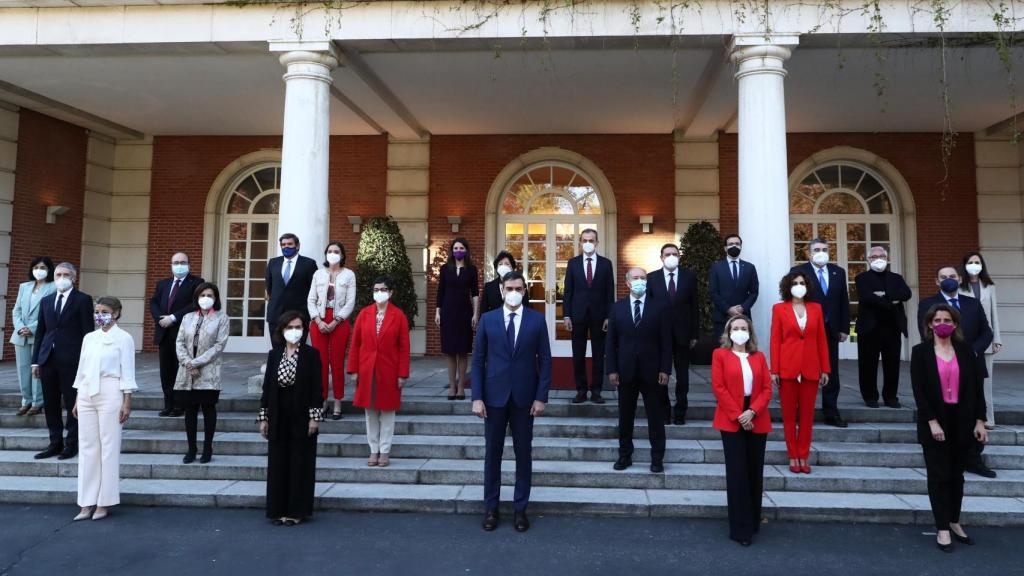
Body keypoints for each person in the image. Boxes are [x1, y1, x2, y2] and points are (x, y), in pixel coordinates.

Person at [471, 271, 551, 532]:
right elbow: (478, 360)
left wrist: (541, 397)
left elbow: (546, 361)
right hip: (493, 398)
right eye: (509, 287)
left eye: (519, 287)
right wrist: (477, 397)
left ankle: (520, 509)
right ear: (502, 290)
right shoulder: (487, 319)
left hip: (524, 399)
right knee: (492, 455)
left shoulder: (537, 321)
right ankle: (491, 508)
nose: (514, 292)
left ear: (524, 291)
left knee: (523, 455)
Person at [910, 303, 989, 552]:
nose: (942, 323)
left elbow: (977, 389)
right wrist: (931, 421)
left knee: (957, 476)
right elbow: (919, 392)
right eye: (937, 320)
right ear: (930, 325)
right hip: (935, 421)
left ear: (955, 324)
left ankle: (954, 521)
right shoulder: (920, 352)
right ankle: (942, 527)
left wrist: (980, 421)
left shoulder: (966, 351)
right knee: (938, 476)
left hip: (963, 421)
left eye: (947, 319)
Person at [918, 265, 995, 479]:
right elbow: (924, 333)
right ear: (936, 281)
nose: (948, 280)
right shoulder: (926, 304)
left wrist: (972, 352)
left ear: (959, 279)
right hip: (942, 367)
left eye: (952, 276)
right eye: (943, 277)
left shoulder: (972, 303)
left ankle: (974, 459)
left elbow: (986, 332)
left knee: (974, 409)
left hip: (971, 366)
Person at [71, 296, 137, 521]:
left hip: (111, 391)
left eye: (105, 311)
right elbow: (82, 369)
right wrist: (77, 397)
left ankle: (104, 501)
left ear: (116, 313)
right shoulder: (89, 338)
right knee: (88, 447)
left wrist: (127, 400)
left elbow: (127, 370)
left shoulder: (124, 338)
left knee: (109, 447)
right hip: (87, 392)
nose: (100, 315)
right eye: (97, 311)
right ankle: (86, 501)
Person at [711, 315, 772, 547]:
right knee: (737, 474)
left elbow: (767, 389)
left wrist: (752, 412)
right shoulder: (720, 355)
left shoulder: (759, 357)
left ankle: (754, 521)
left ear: (750, 332)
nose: (739, 331)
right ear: (728, 332)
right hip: (732, 417)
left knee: (754, 472)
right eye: (735, 328)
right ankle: (740, 528)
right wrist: (739, 414)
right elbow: (719, 387)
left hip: (756, 416)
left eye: (743, 328)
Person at [258, 311, 324, 526]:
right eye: (290, 327)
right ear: (282, 330)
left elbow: (317, 389)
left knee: (299, 464)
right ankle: (277, 510)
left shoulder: (311, 354)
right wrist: (263, 417)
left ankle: (297, 511)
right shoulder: (274, 354)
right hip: (278, 414)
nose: (294, 331)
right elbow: (267, 388)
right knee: (278, 463)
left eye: (298, 327)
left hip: (301, 415)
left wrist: (314, 418)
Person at [606, 267, 672, 473]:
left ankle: (657, 458)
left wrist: (665, 369)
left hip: (652, 371)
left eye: (643, 278)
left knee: (655, 416)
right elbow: (611, 342)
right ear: (627, 283)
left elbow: (666, 341)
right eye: (635, 278)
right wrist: (612, 369)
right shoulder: (617, 308)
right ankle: (625, 455)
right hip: (625, 371)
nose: (639, 281)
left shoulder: (659, 307)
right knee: (625, 417)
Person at [31, 262, 94, 460]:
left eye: (66, 274)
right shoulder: (47, 301)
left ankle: (71, 443)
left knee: (73, 402)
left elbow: (88, 333)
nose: (61, 278)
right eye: (58, 274)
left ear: (74, 278)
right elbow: (41, 333)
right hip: (48, 359)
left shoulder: (83, 300)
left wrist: (87, 362)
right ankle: (54, 442)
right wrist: (35, 361)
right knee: (50, 403)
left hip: (72, 360)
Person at [770, 271, 830, 474]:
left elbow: (821, 339)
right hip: (787, 369)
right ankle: (793, 455)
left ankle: (804, 455)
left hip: (811, 369)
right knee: (788, 416)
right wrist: (774, 370)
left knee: (807, 417)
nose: (798, 285)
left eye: (802, 282)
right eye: (795, 283)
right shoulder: (779, 309)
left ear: (807, 286)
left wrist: (826, 368)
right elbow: (775, 340)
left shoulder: (816, 308)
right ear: (788, 286)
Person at [348, 277, 410, 468]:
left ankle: (384, 451)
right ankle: (373, 450)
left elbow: (404, 348)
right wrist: (353, 370)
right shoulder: (364, 314)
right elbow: (355, 344)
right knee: (370, 413)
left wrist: (402, 374)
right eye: (376, 289)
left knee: (388, 413)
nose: (379, 292)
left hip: (389, 370)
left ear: (390, 292)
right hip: (367, 369)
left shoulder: (398, 316)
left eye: (383, 289)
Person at [791, 238, 850, 428]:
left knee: (830, 370)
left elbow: (843, 301)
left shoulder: (838, 272)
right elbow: (793, 300)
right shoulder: (798, 272)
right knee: (803, 369)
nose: (821, 252)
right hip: (806, 329)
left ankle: (831, 412)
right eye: (817, 249)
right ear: (809, 253)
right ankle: (801, 410)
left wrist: (843, 328)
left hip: (831, 330)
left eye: (825, 249)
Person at [174, 282, 230, 464]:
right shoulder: (188, 317)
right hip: (187, 370)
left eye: (210, 295)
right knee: (190, 411)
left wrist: (196, 362)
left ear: (215, 299)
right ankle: (191, 449)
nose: (206, 298)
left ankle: (207, 448)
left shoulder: (222, 318)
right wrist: (187, 362)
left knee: (208, 410)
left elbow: (219, 345)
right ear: (197, 297)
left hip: (208, 370)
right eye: (203, 295)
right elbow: (180, 341)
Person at [647, 243, 699, 425]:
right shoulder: (651, 278)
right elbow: (648, 308)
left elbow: (695, 307)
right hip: (659, 336)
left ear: (679, 256)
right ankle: (664, 410)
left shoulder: (689, 277)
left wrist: (694, 333)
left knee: (682, 375)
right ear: (661, 257)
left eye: (674, 254)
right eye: (667, 254)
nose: (671, 256)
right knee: (660, 373)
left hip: (683, 334)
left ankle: (680, 411)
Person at [854, 246, 912, 408]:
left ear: (887, 258)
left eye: (881, 256)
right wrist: (891, 299)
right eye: (874, 257)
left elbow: (906, 294)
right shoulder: (861, 278)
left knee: (892, 364)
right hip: (869, 328)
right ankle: (870, 396)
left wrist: (882, 295)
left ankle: (891, 397)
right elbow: (866, 297)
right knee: (867, 364)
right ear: (868, 260)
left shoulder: (897, 278)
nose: (878, 259)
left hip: (893, 327)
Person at [563, 228, 614, 404]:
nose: (588, 243)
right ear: (580, 243)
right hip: (577, 316)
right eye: (584, 240)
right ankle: (581, 390)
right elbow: (568, 291)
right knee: (578, 355)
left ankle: (597, 391)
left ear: (597, 243)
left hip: (600, 317)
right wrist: (566, 315)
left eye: (591, 240)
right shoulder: (573, 263)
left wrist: (609, 316)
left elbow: (610, 292)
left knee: (599, 354)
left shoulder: (606, 264)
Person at [149, 252, 204, 418]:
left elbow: (195, 304)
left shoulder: (197, 283)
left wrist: (173, 318)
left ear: (189, 264)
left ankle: (181, 405)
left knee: (181, 371)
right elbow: (154, 302)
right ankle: (169, 405)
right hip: (164, 332)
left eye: (183, 262)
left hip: (183, 333)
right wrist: (161, 319)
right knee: (166, 372)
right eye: (176, 262)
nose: (179, 265)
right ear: (171, 264)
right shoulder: (163, 284)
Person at [307, 241, 356, 419]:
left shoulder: (349, 275)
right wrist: (318, 320)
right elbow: (311, 299)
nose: (333, 253)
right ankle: (322, 401)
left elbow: (350, 302)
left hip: (339, 322)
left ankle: (337, 402)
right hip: (319, 321)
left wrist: (336, 321)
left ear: (342, 255)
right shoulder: (318, 274)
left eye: (336, 251)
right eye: (330, 251)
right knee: (320, 363)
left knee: (336, 363)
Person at [958, 251, 1002, 428]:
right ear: (965, 265)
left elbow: (994, 314)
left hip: (985, 340)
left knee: (986, 382)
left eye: (977, 262)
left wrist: (997, 339)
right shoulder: (959, 286)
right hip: (965, 341)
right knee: (966, 380)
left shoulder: (989, 287)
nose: (974, 265)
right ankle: (968, 417)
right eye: (971, 262)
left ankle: (988, 418)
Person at [11, 257, 56, 416]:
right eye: (36, 267)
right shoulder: (24, 287)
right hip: (21, 336)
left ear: (49, 269)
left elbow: (52, 313)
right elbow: (16, 311)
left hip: (40, 335)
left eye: (42, 267)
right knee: (23, 370)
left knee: (37, 369)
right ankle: (26, 401)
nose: (39, 270)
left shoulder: (53, 287)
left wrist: (32, 328)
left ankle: (37, 402)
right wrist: (21, 327)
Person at [435, 237, 479, 401]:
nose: (458, 251)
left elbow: (475, 293)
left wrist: (475, 313)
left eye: (461, 248)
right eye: (455, 248)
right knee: (450, 351)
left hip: (465, 312)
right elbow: (440, 291)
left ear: (466, 250)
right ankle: (452, 386)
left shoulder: (472, 270)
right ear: (451, 251)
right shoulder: (445, 269)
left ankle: (461, 386)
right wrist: (437, 312)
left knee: (462, 351)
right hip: (448, 312)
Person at [265, 233, 318, 336]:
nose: (286, 247)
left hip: (299, 315)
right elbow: (269, 286)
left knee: (298, 349)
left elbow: (313, 289)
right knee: (277, 350)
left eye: (290, 244)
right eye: (283, 244)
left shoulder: (309, 263)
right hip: (276, 314)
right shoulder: (273, 263)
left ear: (297, 246)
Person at [709, 234, 759, 340]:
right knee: (723, 351)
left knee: (743, 350)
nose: (734, 246)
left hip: (743, 317)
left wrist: (743, 307)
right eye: (731, 244)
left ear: (741, 246)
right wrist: (728, 309)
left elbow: (754, 292)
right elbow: (713, 292)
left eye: (737, 244)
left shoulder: (750, 267)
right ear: (725, 248)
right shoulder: (716, 267)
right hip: (722, 318)